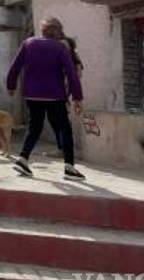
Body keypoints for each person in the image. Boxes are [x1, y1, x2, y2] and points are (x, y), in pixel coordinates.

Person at [6, 17, 86, 181]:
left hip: (31, 94)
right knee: (65, 129)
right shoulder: (60, 48)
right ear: (57, 32)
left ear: (42, 31)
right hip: (55, 96)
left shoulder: (28, 43)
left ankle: (23, 158)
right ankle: (69, 168)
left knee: (34, 127)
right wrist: (77, 97)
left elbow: (15, 66)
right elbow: (71, 74)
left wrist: (11, 85)